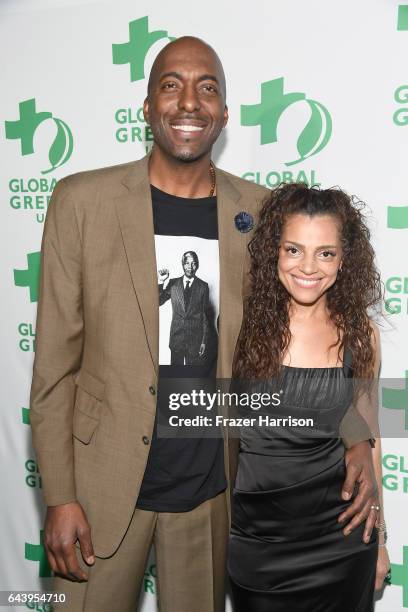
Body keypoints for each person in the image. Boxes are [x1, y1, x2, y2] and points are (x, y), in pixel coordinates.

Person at [29, 35, 379, 612]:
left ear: (224, 112)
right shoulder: (80, 203)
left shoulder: (264, 212)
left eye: (207, 87)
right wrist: (60, 497)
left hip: (215, 489)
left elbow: (332, 334)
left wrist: (359, 434)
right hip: (101, 489)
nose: (189, 102)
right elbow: (52, 371)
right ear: (146, 106)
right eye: (171, 85)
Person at [228, 183, 391, 611]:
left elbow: (368, 435)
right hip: (258, 542)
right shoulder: (239, 329)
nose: (308, 267)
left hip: (341, 537)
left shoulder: (362, 334)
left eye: (326, 253)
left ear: (344, 260)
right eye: (293, 249)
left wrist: (380, 537)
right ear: (273, 253)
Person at [158, 251, 216, 366]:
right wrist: (161, 281)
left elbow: (205, 316)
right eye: (187, 263)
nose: (190, 267)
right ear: (182, 264)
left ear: (197, 265)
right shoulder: (173, 284)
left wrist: (204, 341)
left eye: (193, 263)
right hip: (176, 340)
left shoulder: (203, 287)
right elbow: (158, 301)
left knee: (192, 378)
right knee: (175, 378)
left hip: (195, 341)